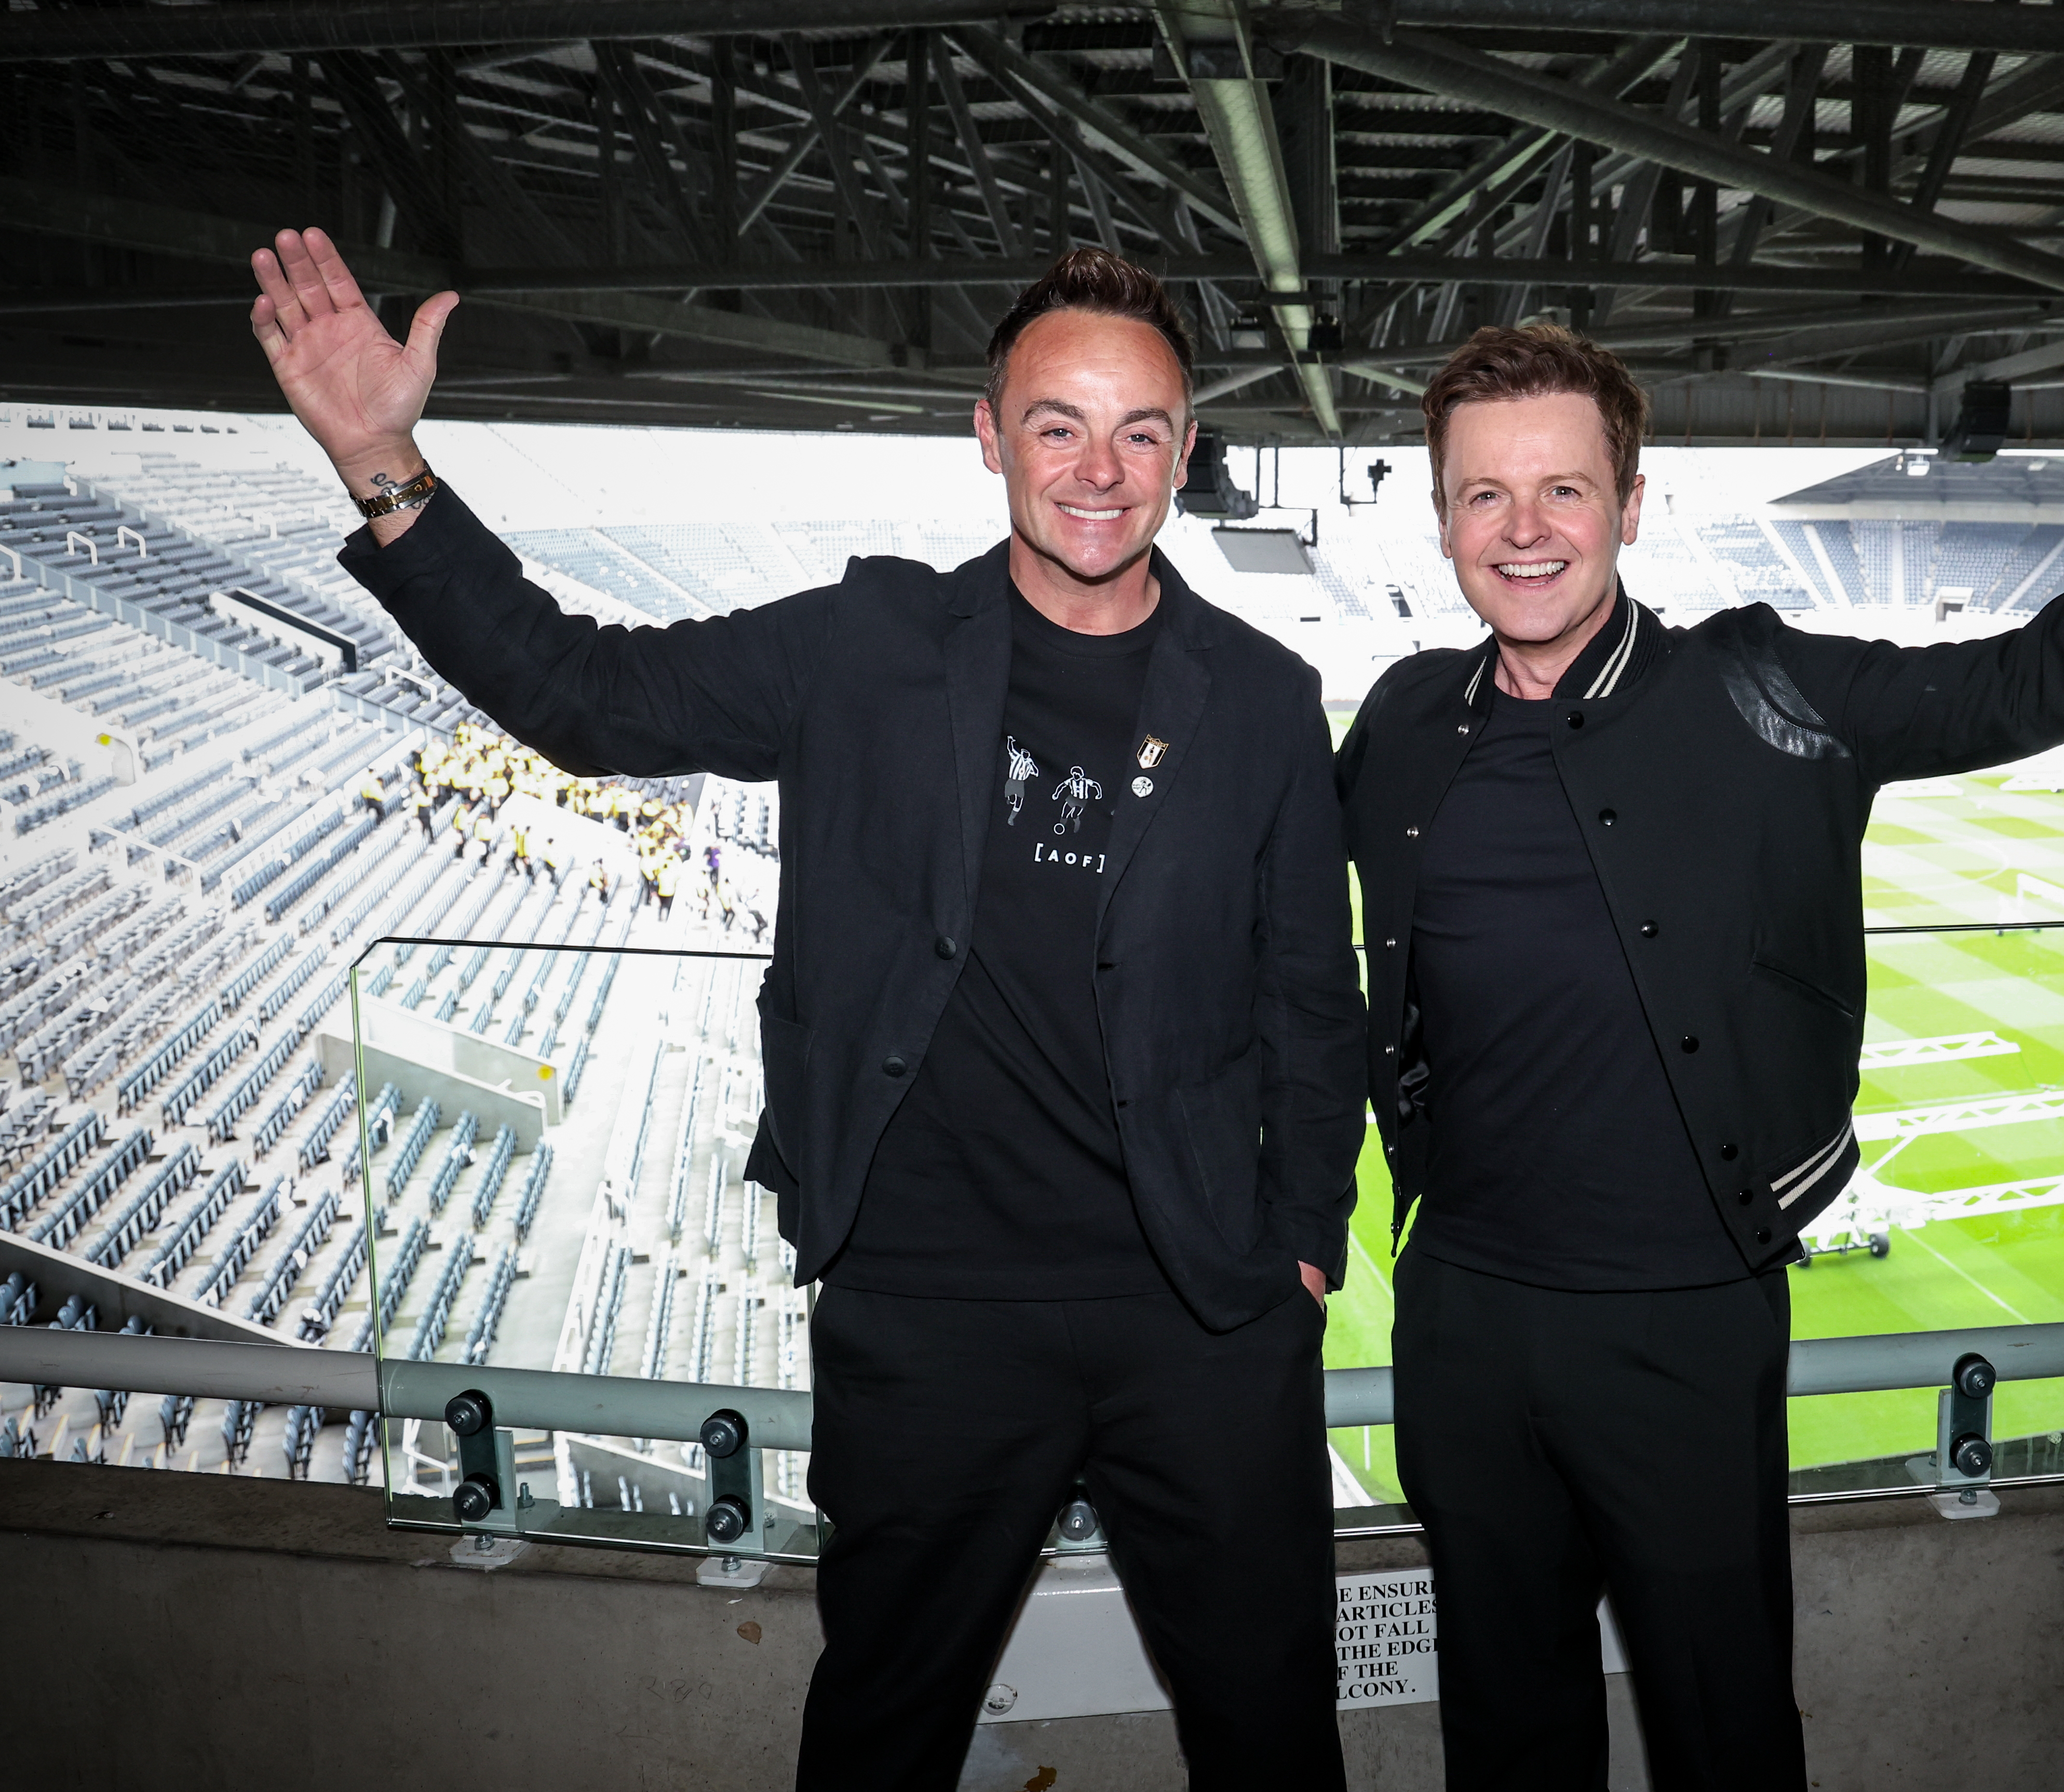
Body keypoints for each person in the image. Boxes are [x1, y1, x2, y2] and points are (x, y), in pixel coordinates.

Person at [247, 230, 1364, 1790]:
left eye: (1140, 430)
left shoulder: (1257, 694)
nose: (1099, 469)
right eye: (1059, 423)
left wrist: (1304, 1234)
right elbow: (587, 692)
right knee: (882, 1737)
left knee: (1272, 1734)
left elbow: (1314, 991)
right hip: (929, 1313)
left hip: (1202, 1320)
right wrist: (382, 459)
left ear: (1184, 448)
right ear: (990, 436)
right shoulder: (869, 646)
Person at [1335, 256, 2064, 1792]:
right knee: (1504, 1718)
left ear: (1629, 503)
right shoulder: (1407, 718)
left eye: (1563, 488)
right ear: (1443, 521)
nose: (1525, 528)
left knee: (1726, 1720)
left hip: (1685, 1317)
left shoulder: (1769, 692)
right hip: (1464, 1316)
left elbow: (2034, 678)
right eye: (1485, 496)